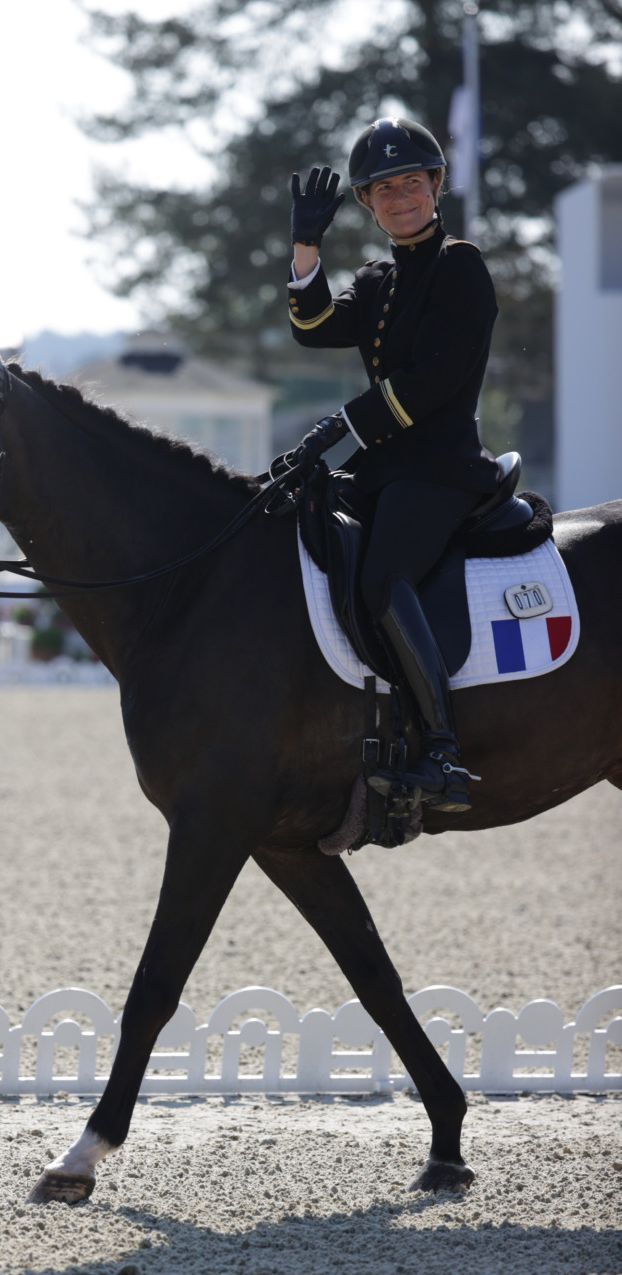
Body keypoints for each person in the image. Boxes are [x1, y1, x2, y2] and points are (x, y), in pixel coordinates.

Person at [286, 117, 499, 812]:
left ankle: (441, 748)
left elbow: (431, 381)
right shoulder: (382, 278)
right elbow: (314, 330)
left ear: (436, 186)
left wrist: (341, 425)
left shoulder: (459, 265)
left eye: (412, 181)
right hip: (385, 470)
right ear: (368, 203)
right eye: (384, 188)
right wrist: (306, 248)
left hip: (440, 470)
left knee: (382, 579)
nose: (401, 196)